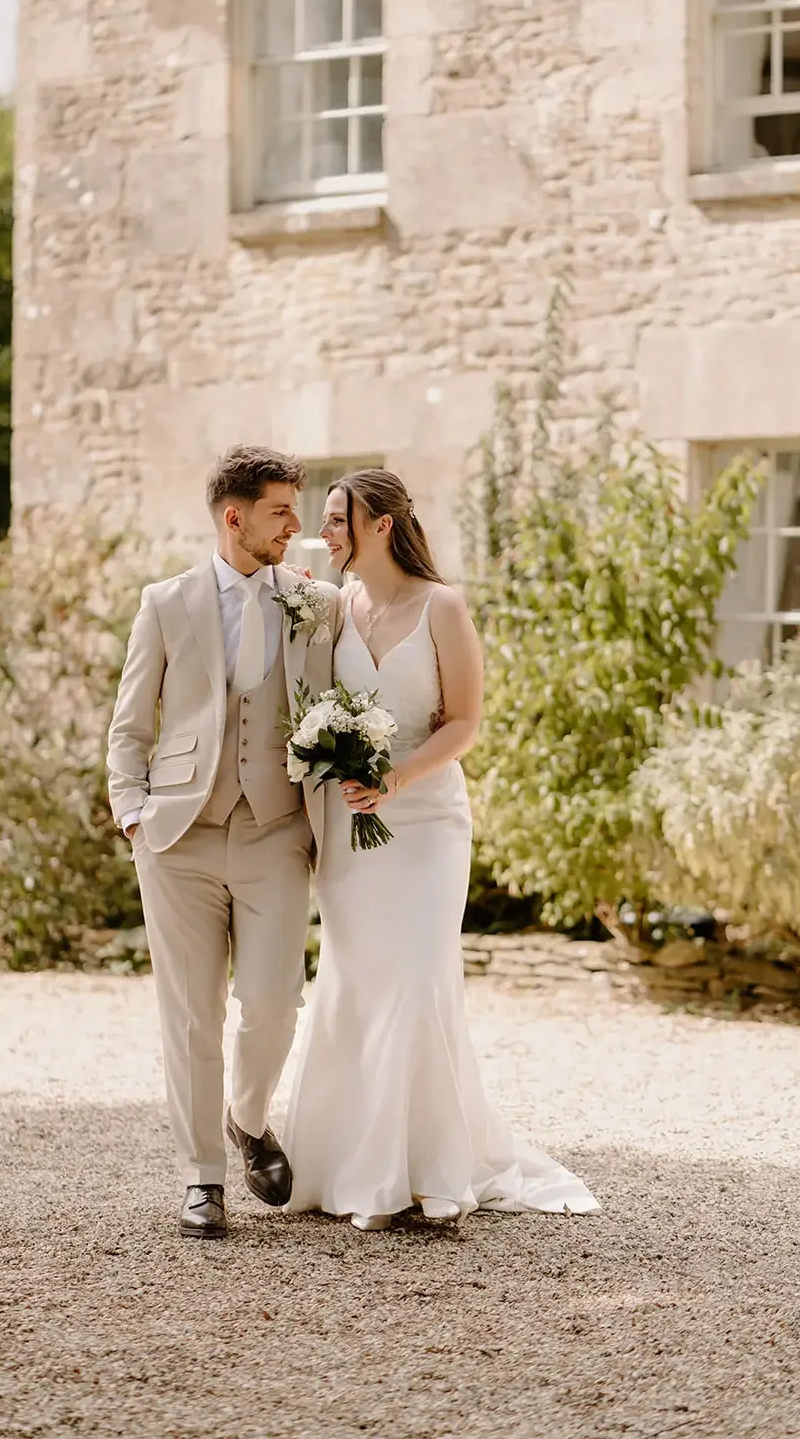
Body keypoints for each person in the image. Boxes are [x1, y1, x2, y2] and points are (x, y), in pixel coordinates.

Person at [283, 468, 600, 1230]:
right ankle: (353, 1167)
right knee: (356, 981)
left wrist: (395, 776)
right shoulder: (332, 606)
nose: (322, 533)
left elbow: (464, 723)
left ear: (380, 524)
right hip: (349, 830)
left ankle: (425, 1172)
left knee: (419, 979)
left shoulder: (443, 607)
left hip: (426, 824)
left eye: (335, 519)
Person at [107, 446, 337, 1239]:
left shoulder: (315, 601)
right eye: (280, 511)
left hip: (276, 830)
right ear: (234, 517)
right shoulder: (165, 603)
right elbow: (130, 725)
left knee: (273, 1005)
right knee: (190, 1017)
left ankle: (246, 1119)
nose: (295, 525)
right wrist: (132, 814)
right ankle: (202, 1177)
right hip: (178, 838)